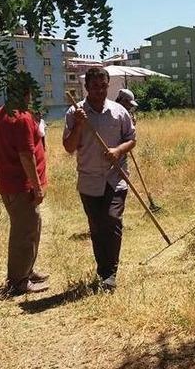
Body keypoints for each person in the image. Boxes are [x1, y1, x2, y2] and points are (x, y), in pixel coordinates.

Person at [63, 67, 136, 291]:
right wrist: (78, 124)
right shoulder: (74, 112)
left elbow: (131, 139)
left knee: (112, 220)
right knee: (96, 227)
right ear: (86, 87)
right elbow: (69, 147)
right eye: (94, 87)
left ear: (108, 86)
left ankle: (110, 273)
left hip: (115, 178)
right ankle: (103, 270)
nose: (99, 91)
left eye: (103, 86)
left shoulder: (119, 112)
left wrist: (118, 150)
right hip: (89, 180)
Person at [0, 73, 49, 295]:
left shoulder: (0, 113)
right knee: (23, 233)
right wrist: (37, 186)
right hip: (21, 186)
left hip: (10, 184)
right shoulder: (21, 118)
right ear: (26, 93)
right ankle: (18, 281)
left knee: (31, 227)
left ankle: (27, 270)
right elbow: (26, 155)